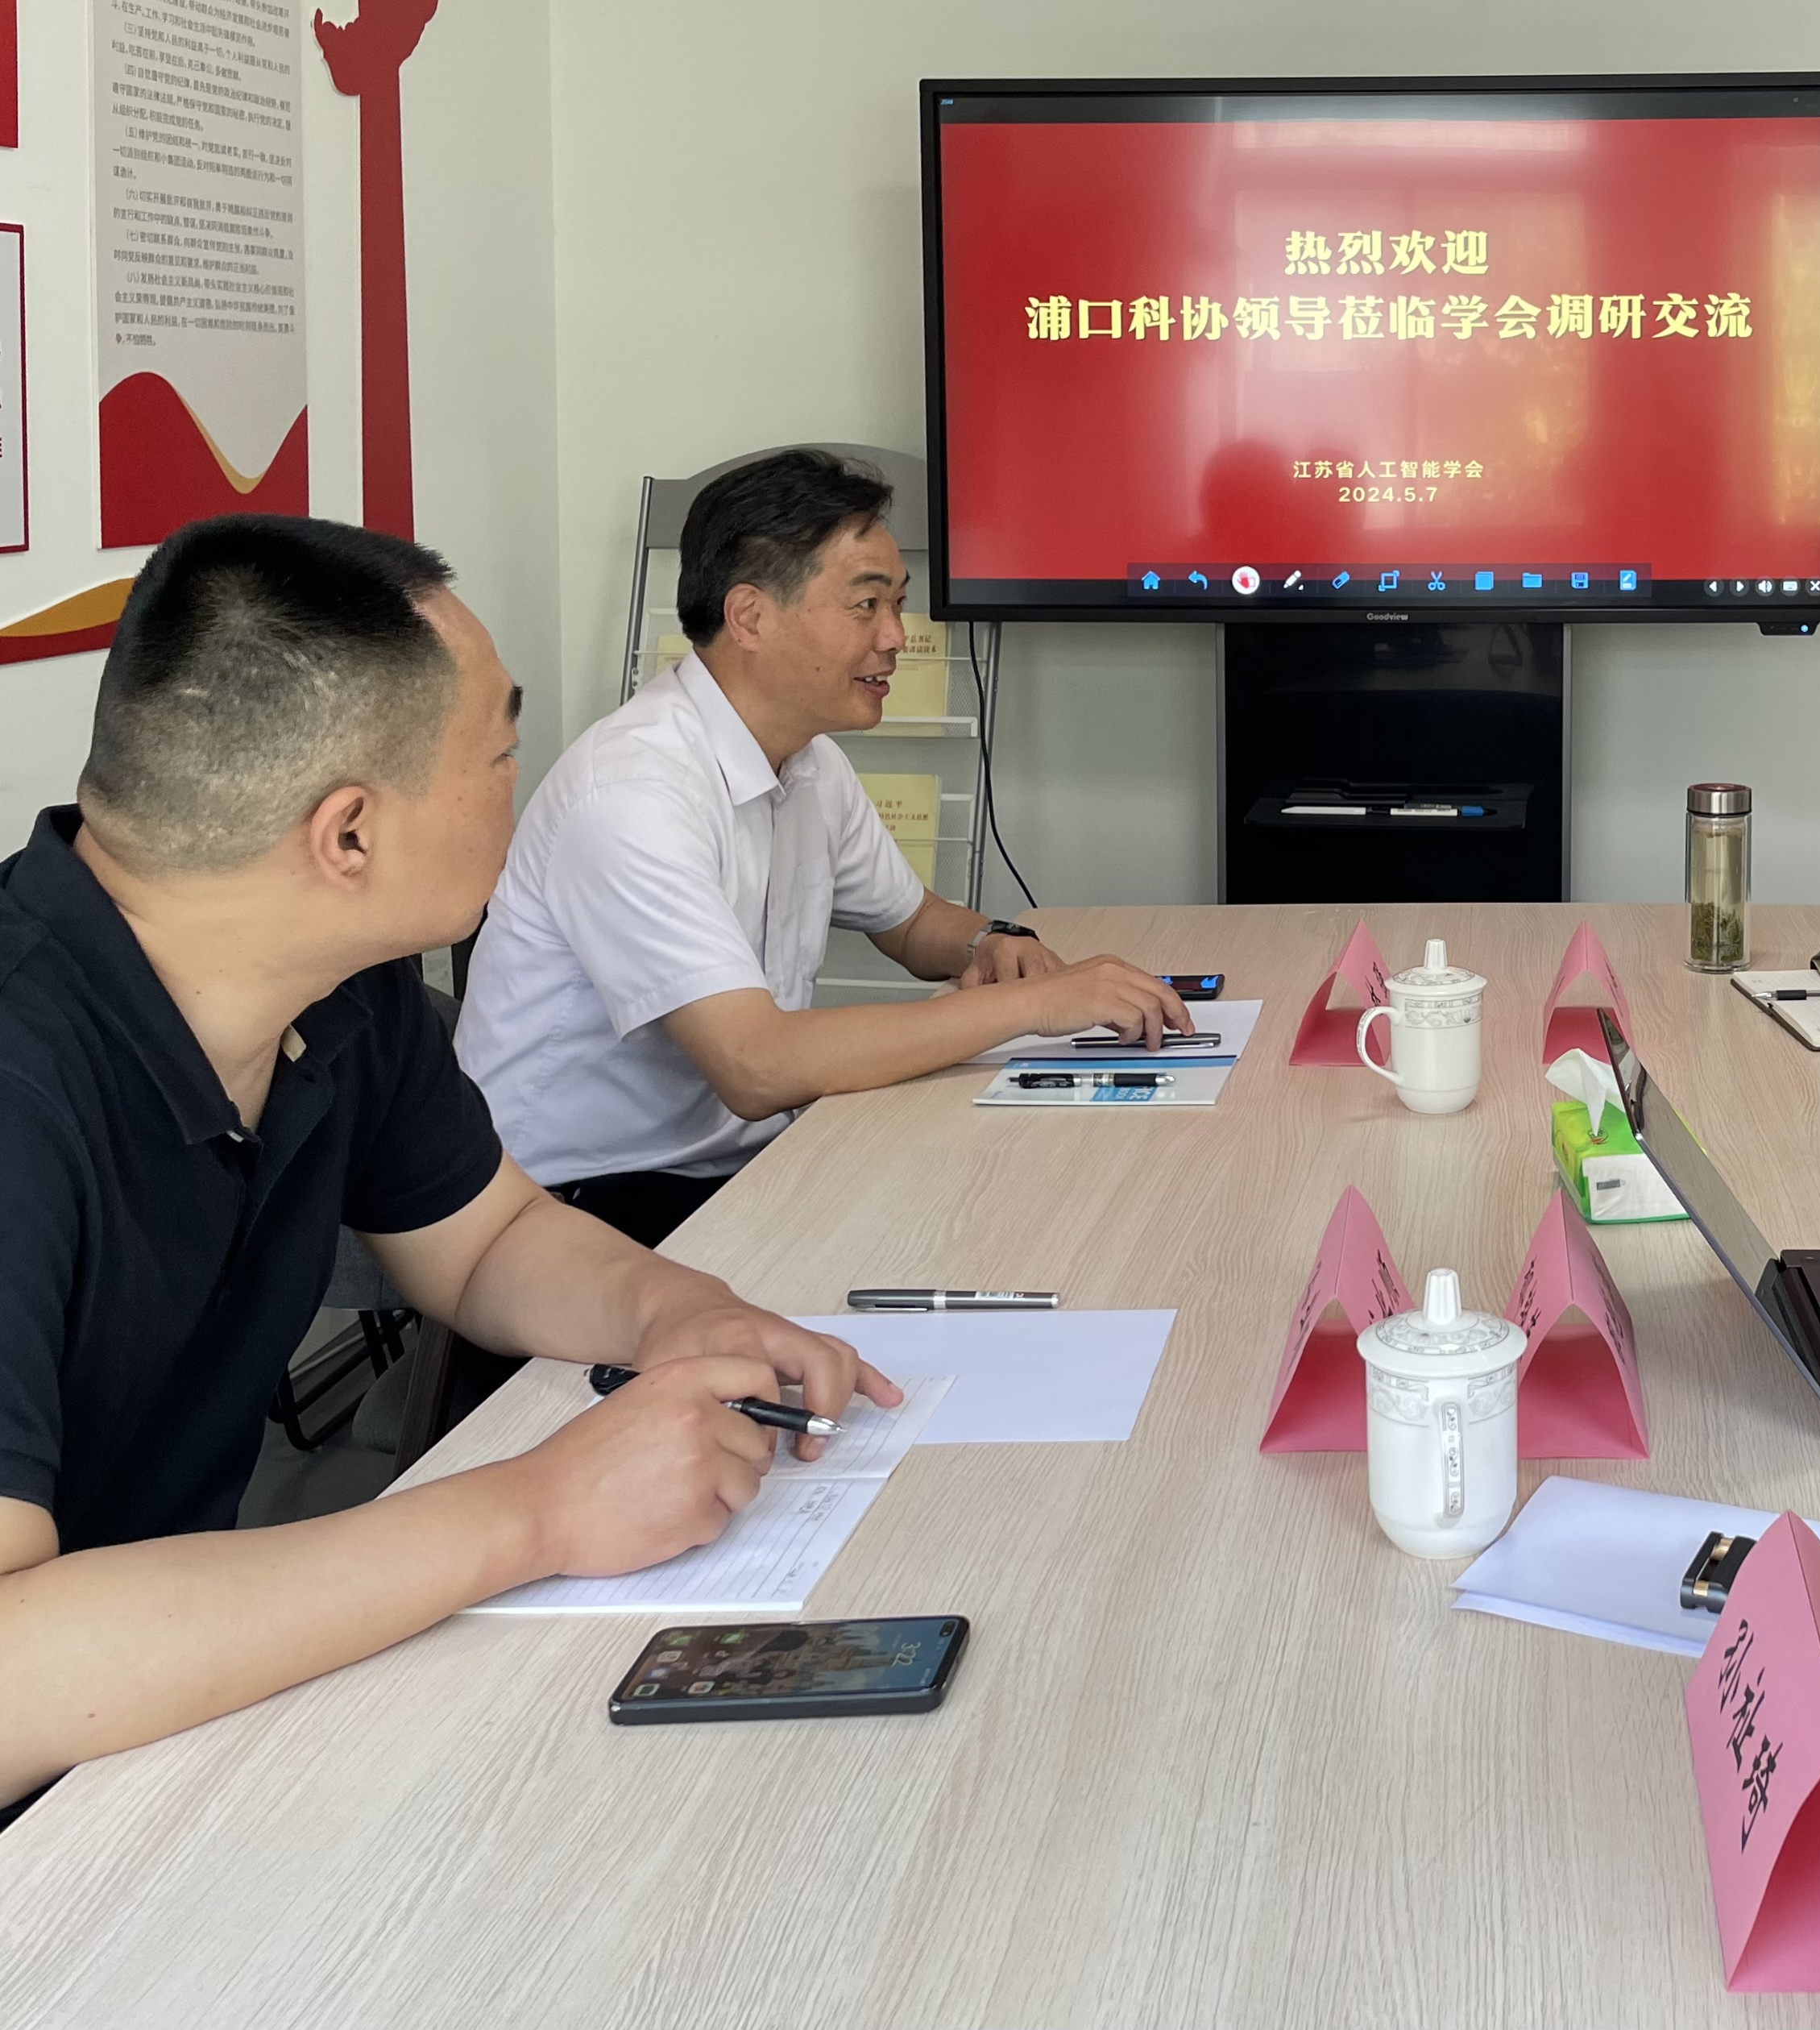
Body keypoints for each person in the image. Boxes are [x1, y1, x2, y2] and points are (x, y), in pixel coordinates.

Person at [0, 517, 899, 1820]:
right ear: (349, 836)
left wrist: (675, 1310)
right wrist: (539, 1505)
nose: (519, 792)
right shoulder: (23, 1075)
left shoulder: (337, 980)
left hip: (166, 1715)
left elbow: (483, 1239)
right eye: (498, 755)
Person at [456, 450, 1188, 1246]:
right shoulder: (631, 793)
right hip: (571, 1204)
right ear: (749, 617)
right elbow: (757, 1066)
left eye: (896, 604)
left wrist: (987, 942)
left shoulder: (811, 761)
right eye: (865, 605)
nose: (896, 638)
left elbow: (913, 924)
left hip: (735, 1163)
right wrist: (1034, 1006)